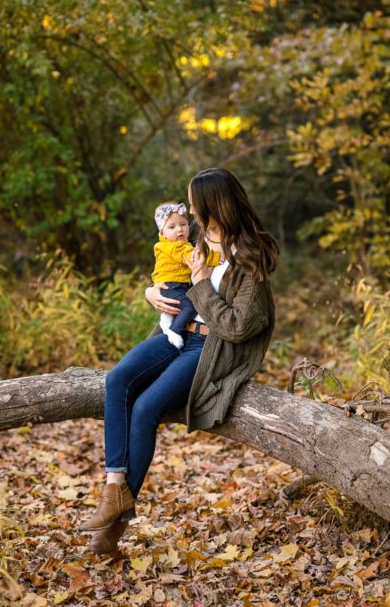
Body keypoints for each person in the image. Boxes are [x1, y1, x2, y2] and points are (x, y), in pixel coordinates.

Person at [80, 167, 279, 554]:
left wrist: (203, 283)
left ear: (212, 205)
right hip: (176, 334)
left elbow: (238, 327)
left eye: (193, 205)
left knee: (146, 409)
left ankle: (110, 533)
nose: (188, 213)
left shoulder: (249, 259)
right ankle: (113, 486)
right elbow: (171, 271)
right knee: (117, 380)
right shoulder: (205, 239)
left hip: (208, 350)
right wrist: (151, 291)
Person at [151, 201, 222, 349]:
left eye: (183, 224)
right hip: (172, 284)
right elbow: (194, 257)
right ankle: (174, 331)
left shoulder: (174, 243)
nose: (179, 230)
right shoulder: (176, 247)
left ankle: (167, 317)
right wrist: (216, 258)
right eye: (172, 227)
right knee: (190, 305)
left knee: (182, 302)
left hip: (172, 284)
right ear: (161, 232)